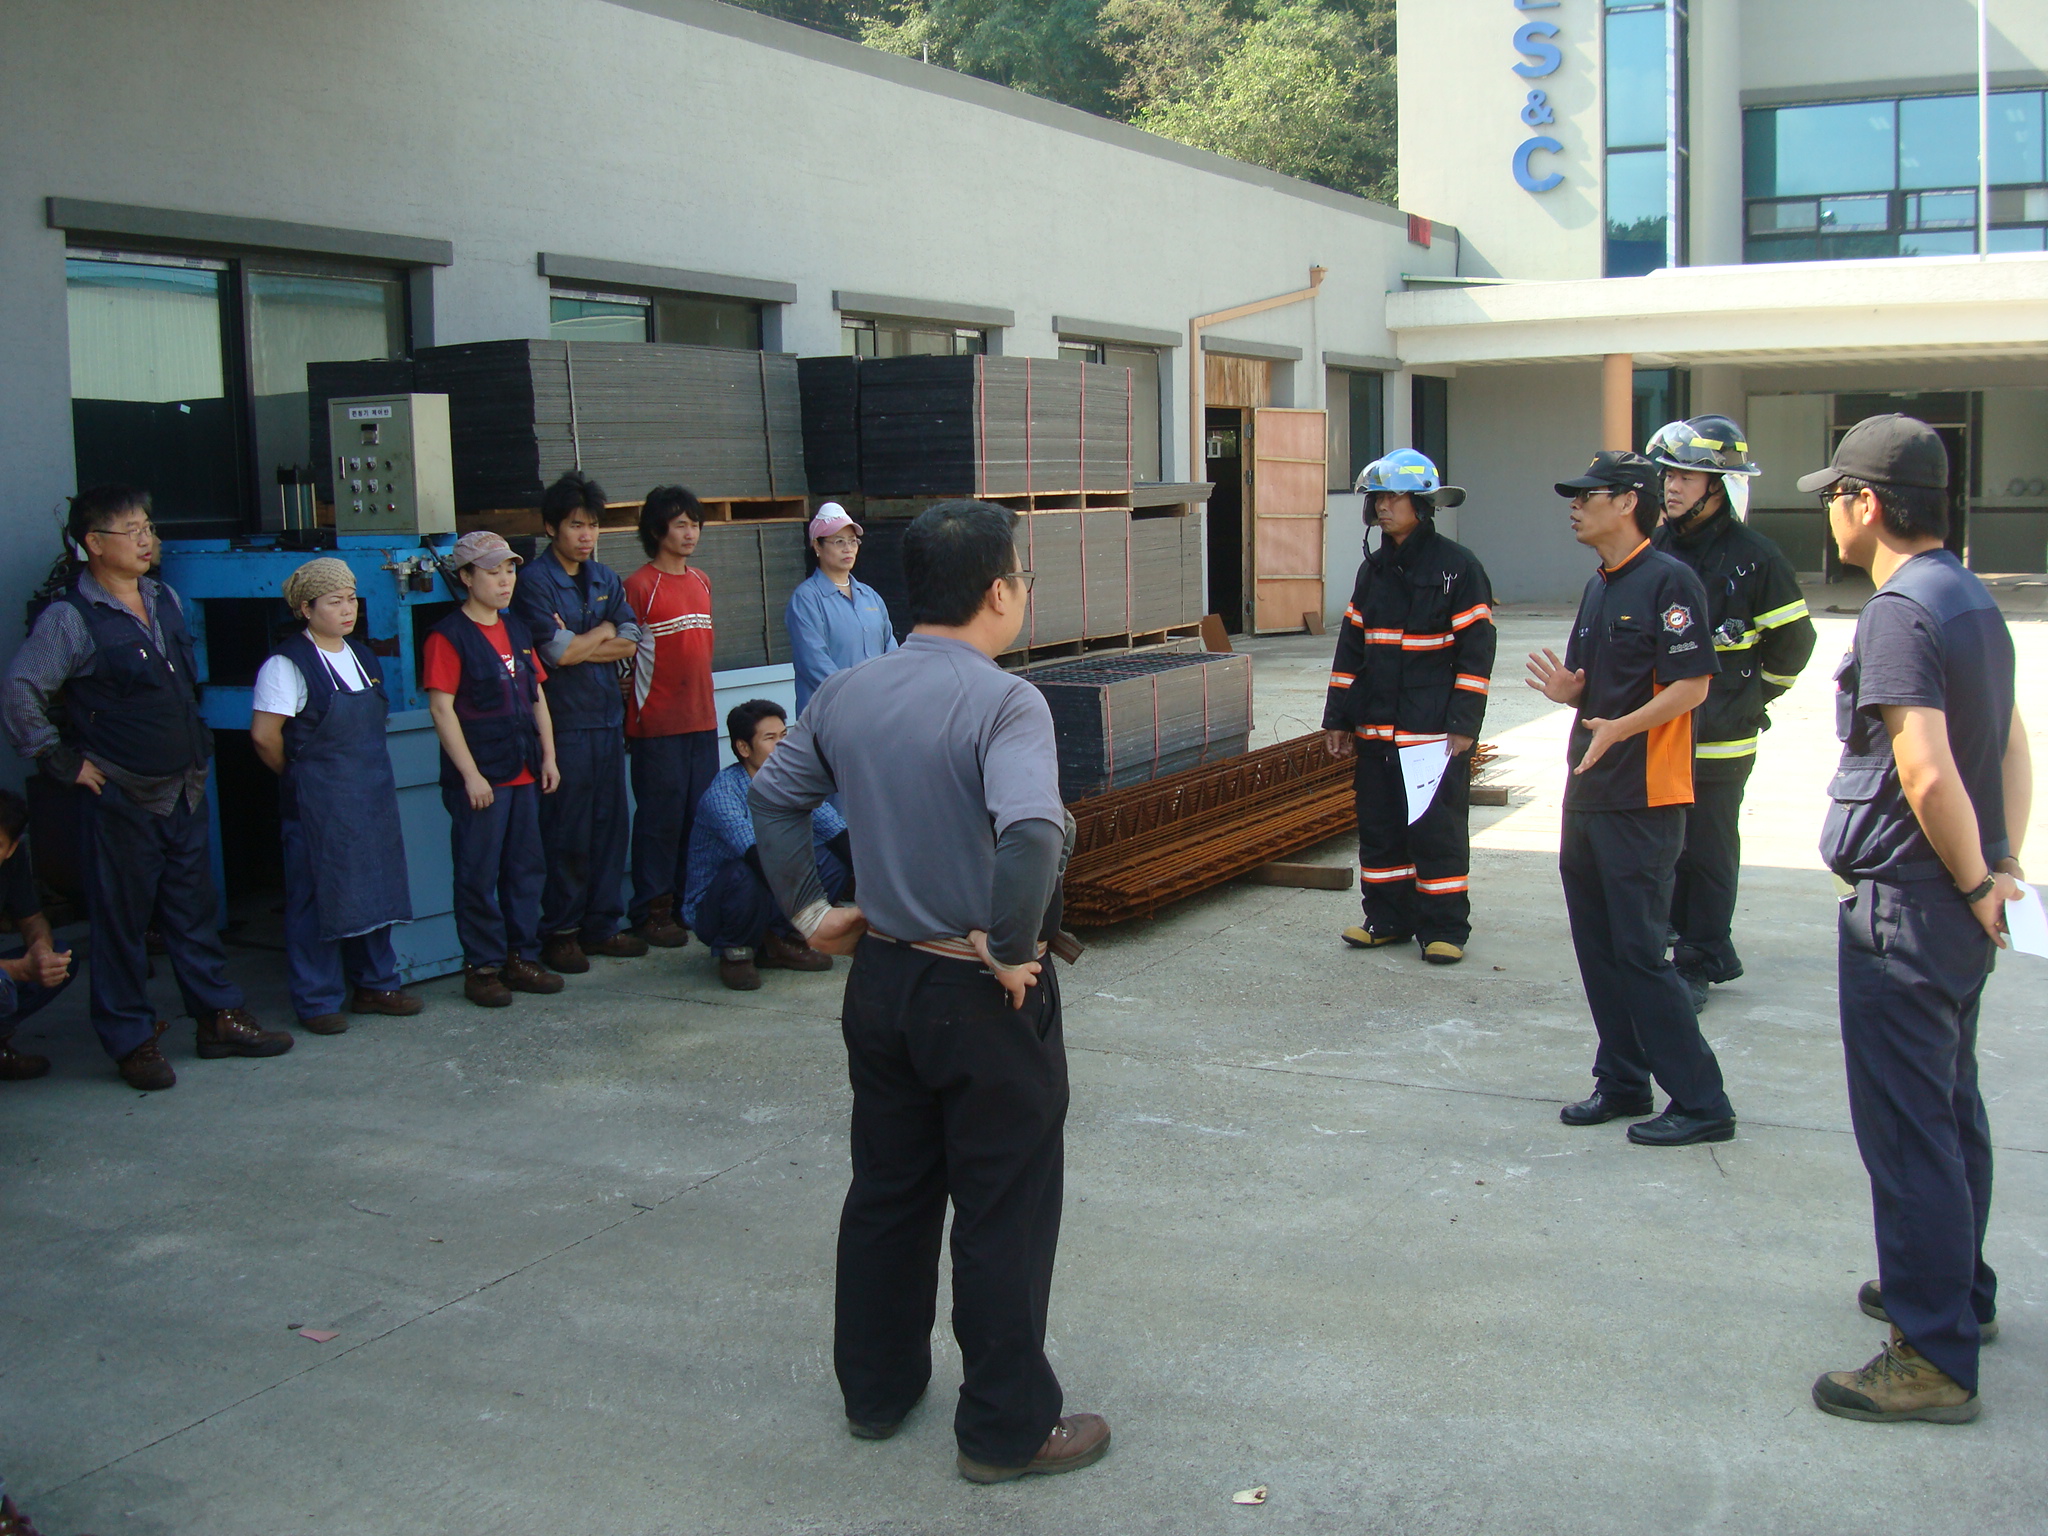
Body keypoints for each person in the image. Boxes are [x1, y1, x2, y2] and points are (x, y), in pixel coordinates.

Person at [749, 501, 1109, 1485]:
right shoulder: (1006, 702)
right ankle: (1003, 1430)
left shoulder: (848, 692)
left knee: (889, 1190)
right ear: (998, 592)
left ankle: (876, 1390)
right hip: (980, 993)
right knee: (1002, 1209)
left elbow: (773, 797)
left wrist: (811, 912)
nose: (1023, 591)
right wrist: (1010, 946)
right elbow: (1031, 833)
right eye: (1022, 577)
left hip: (884, 981)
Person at [1802, 414, 2030, 1425]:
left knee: (1907, 1132)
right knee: (1948, 1108)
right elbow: (2013, 745)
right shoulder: (1968, 598)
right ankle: (1955, 1293)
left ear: (1866, 503)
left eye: (1834, 496)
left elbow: (1926, 770)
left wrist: (1976, 883)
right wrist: (1999, 868)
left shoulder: (1897, 610)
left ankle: (1930, 1353)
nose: (1830, 513)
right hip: (1955, 905)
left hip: (1908, 906)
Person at [2, 485, 291, 1090]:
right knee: (122, 923)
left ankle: (217, 1019)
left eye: (148, 527)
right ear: (93, 544)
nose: (146, 540)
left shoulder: (165, 598)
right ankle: (131, 1040)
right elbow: (21, 691)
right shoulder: (70, 618)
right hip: (121, 796)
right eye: (130, 530)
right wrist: (61, 762)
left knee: (193, 912)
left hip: (184, 787)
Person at [1526, 452, 1735, 1147]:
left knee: (1642, 955)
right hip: (1589, 789)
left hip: (1645, 797)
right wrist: (1574, 694)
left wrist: (1622, 726)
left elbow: (1693, 684)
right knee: (1599, 950)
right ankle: (1622, 1080)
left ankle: (1703, 1102)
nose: (1575, 505)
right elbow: (1602, 686)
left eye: (1588, 495)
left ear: (1627, 502)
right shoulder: (1600, 586)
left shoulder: (1669, 581)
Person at [1646, 415, 1817, 1008]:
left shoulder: (1754, 557)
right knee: (1663, 846)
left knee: (1708, 850)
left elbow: (1794, 643)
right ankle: (1671, 937)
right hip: (1659, 733)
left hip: (1721, 739)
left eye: (1686, 477)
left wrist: (1751, 697)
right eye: (1668, 475)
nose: (1671, 486)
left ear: (1717, 486)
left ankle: (1701, 957)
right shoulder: (1655, 548)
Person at [1323, 449, 1495, 964]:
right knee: (1380, 829)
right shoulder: (1372, 571)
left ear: (1422, 504)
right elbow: (1351, 650)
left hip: (1431, 733)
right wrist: (1338, 718)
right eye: (1378, 497)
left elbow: (1477, 653)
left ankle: (1444, 928)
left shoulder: (1458, 568)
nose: (1382, 506)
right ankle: (1387, 918)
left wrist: (1464, 723)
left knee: (1436, 832)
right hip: (1376, 729)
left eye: (1394, 497)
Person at [248, 558, 422, 1035]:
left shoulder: (363, 657)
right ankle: (316, 999)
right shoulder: (286, 664)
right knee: (315, 898)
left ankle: (376, 984)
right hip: (318, 804)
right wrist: (298, 776)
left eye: (351, 600)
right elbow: (265, 736)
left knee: (376, 889)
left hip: (370, 795)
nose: (347, 610)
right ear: (306, 609)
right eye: (333, 602)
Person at [511, 471, 649, 974]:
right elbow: (556, 654)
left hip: (607, 720)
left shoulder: (605, 578)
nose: (586, 535)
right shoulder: (533, 583)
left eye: (592, 525)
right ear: (551, 527)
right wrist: (602, 632)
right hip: (563, 724)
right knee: (566, 830)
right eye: (575, 525)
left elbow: (632, 640)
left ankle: (602, 924)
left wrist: (587, 639)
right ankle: (561, 932)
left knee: (610, 826)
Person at [424, 531, 565, 1008]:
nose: (505, 581)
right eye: (492, 572)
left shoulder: (518, 629)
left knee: (526, 869)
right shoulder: (448, 635)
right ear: (465, 577)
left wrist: (549, 756)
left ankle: (521, 957)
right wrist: (470, 775)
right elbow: (441, 709)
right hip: (483, 777)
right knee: (477, 873)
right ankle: (482, 968)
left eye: (509, 571)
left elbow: (537, 695)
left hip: (524, 769)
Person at [683, 698, 850, 990]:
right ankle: (735, 952)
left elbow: (839, 835)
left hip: (769, 884)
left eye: (785, 735)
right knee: (745, 873)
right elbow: (758, 857)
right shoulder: (723, 794)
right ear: (743, 748)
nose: (782, 746)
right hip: (718, 905)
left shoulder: (792, 782)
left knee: (832, 861)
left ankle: (780, 940)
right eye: (770, 738)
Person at [623, 486, 721, 950]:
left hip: (702, 720)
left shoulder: (701, 581)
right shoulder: (640, 585)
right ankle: (652, 910)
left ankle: (688, 903)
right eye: (681, 524)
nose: (690, 533)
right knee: (658, 821)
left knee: (698, 818)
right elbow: (626, 659)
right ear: (657, 529)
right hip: (657, 726)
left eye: (695, 524)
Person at [785, 502, 897, 714]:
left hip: (875, 711)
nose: (848, 548)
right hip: (829, 714)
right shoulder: (807, 599)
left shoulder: (870, 596)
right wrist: (857, 697)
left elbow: (890, 650)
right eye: (839, 541)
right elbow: (814, 663)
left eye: (853, 541)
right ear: (817, 546)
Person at [0, 789, 74, 1082]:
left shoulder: (12, 861)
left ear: (11, 848)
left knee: (61, 959)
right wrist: (19, 969)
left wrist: (41, 950)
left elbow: (31, 918)